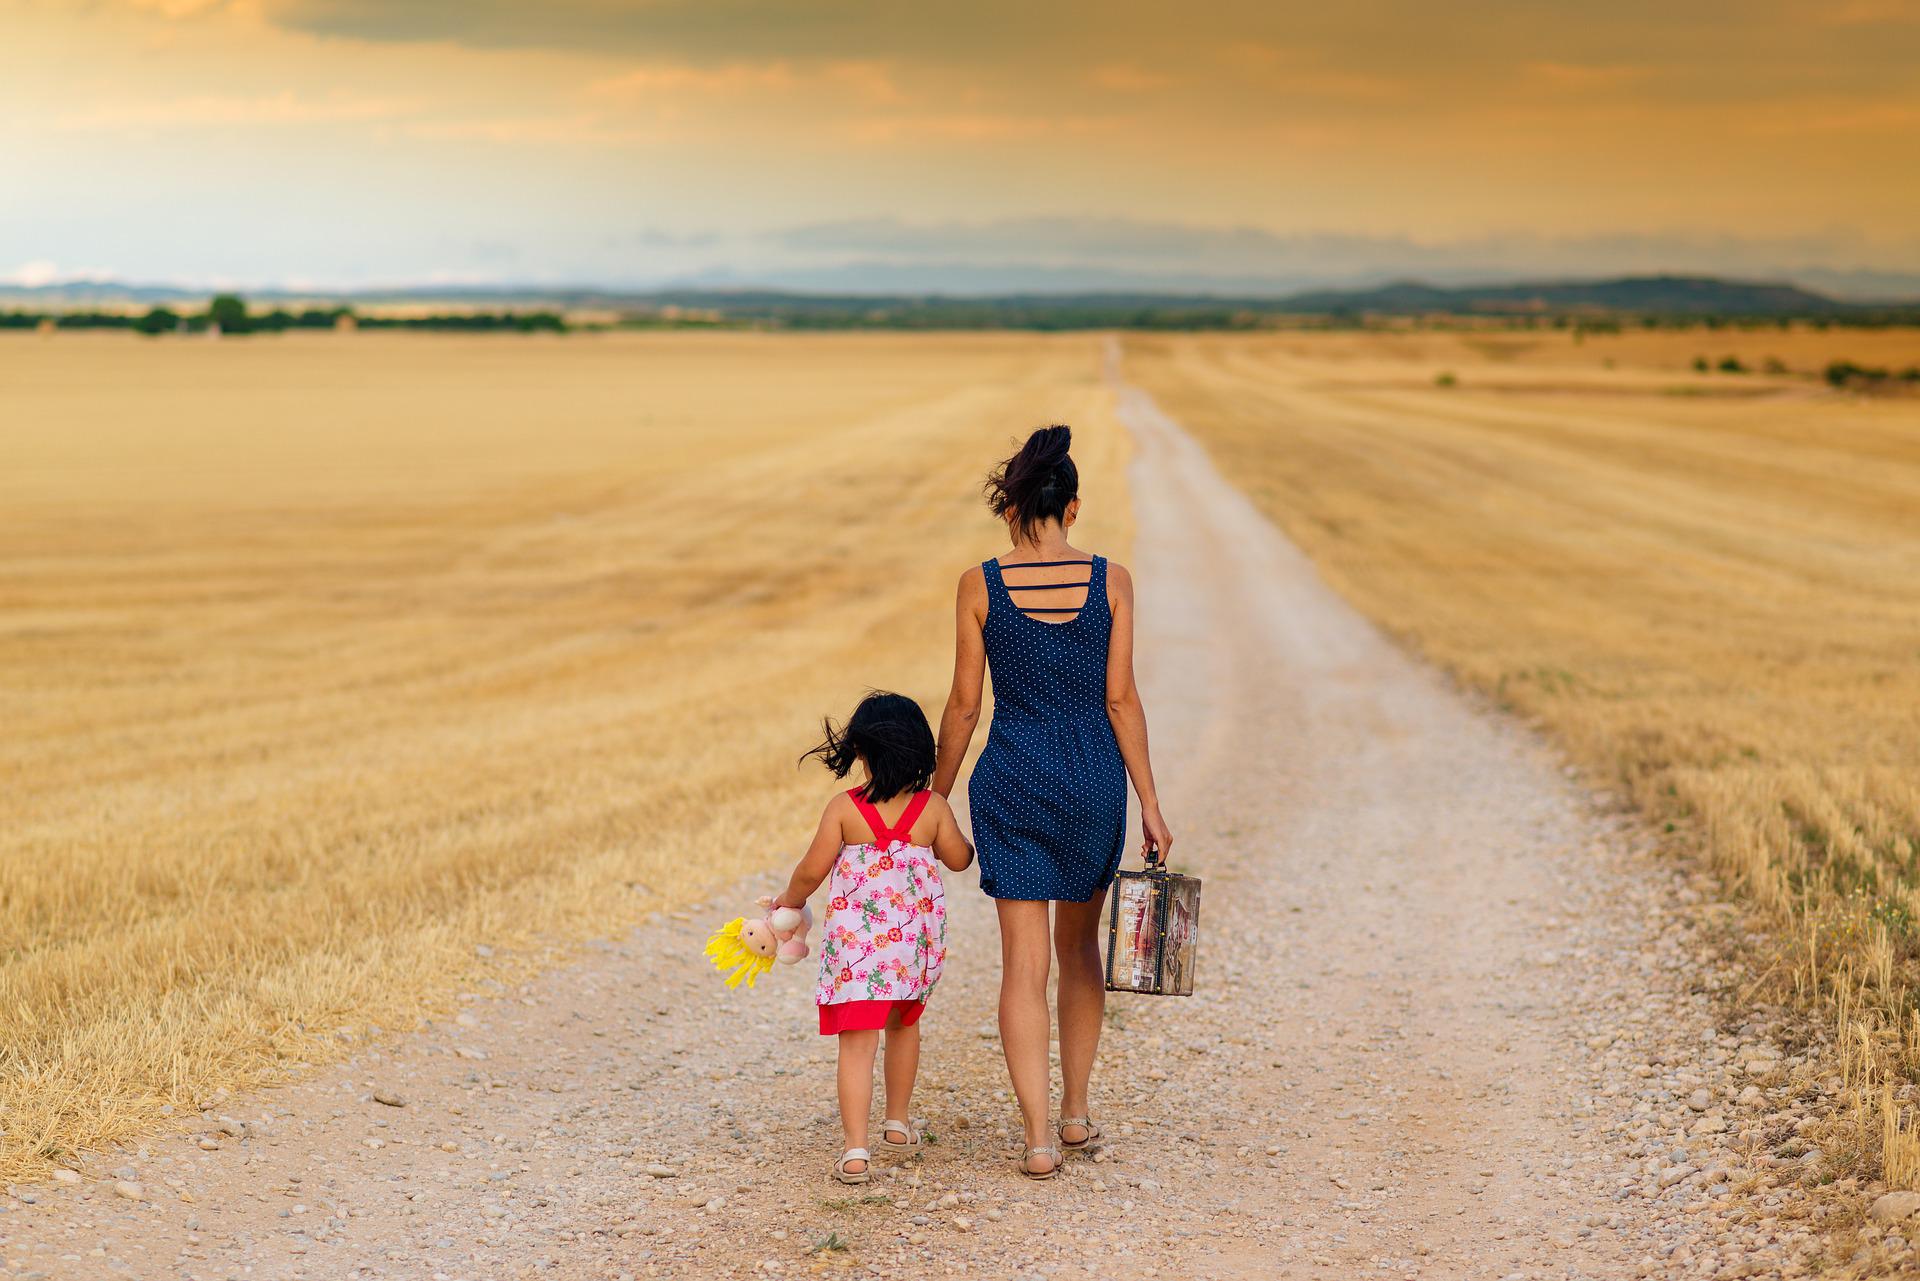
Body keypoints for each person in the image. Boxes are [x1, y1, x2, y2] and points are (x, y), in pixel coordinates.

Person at [932, 424, 1173, 1179]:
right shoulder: (1112, 581)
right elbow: (1122, 699)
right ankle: (1074, 1114)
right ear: (1072, 508)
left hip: (1011, 778)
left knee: (1021, 967)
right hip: (1090, 782)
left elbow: (965, 708)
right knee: (1077, 953)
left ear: (1011, 510)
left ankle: (1035, 1139)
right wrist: (1152, 805)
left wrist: (932, 802)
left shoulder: (981, 585)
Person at [774, 691, 975, 1184]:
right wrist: (964, 839)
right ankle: (898, 1124)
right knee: (904, 1029)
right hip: (911, 953)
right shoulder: (933, 809)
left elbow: (811, 870)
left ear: (860, 752)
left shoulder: (845, 809)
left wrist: (789, 902)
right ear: (923, 751)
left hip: (856, 957)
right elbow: (959, 859)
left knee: (856, 1045)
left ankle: (856, 1150)